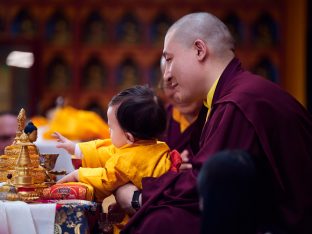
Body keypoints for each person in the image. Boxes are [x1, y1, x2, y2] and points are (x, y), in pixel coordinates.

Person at [115, 12, 312, 234]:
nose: (167, 76)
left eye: (169, 59)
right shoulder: (228, 97)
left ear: (200, 50)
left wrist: (137, 198)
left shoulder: (240, 102)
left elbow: (202, 190)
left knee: (158, 223)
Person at [55, 85, 179, 203]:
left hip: (145, 211)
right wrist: (76, 149)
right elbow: (110, 152)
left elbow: (105, 179)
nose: (109, 131)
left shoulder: (126, 160)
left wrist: (79, 175)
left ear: (129, 137)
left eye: (111, 128)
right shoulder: (158, 146)